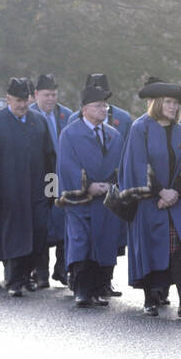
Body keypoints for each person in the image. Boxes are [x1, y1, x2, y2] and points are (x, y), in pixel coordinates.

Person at [121, 79, 181, 317]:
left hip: (175, 202)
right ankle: (149, 299)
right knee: (149, 248)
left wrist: (175, 192)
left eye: (176, 103)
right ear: (156, 103)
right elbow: (137, 163)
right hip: (148, 202)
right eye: (168, 102)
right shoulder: (140, 128)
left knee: (177, 248)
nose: (173, 107)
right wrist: (159, 192)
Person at [0, 78, 56, 297]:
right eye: (18, 101)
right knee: (13, 236)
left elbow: (51, 158)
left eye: (25, 101)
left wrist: (52, 190)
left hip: (37, 191)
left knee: (37, 234)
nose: (22, 105)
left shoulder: (39, 122)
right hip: (8, 191)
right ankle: (13, 279)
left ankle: (27, 275)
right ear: (9, 99)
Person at [56, 74, 125, 307]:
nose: (103, 109)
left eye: (105, 106)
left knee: (103, 242)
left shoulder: (113, 135)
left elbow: (120, 166)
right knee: (81, 242)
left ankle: (98, 289)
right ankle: (82, 290)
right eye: (98, 106)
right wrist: (87, 186)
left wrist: (111, 186)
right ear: (85, 109)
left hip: (105, 202)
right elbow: (66, 165)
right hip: (80, 202)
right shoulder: (70, 133)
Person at [30, 74, 74, 287]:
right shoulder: (28, 116)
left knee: (65, 221)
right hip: (40, 177)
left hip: (62, 177)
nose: (50, 99)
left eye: (54, 95)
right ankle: (41, 271)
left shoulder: (67, 116)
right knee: (41, 224)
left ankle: (62, 268)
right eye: (46, 95)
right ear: (36, 94)